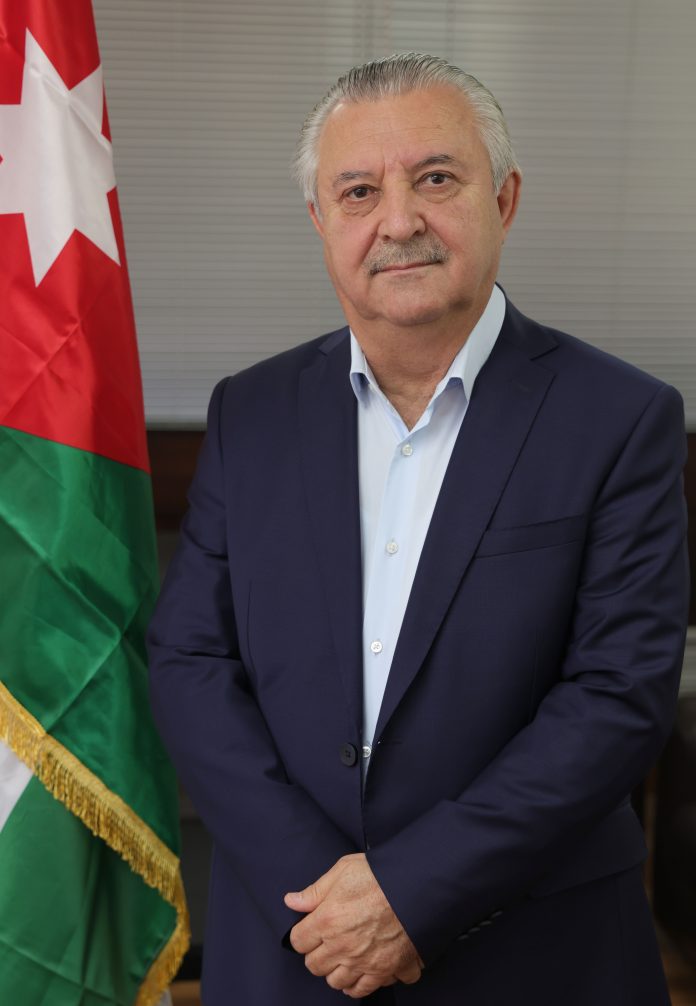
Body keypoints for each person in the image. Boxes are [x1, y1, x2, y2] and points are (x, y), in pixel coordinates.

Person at [147, 53, 689, 1005]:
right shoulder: (251, 412)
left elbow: (616, 696)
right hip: (294, 943)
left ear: (504, 198)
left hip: (534, 954)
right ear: (320, 221)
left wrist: (410, 893)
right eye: (358, 191)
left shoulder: (621, 419)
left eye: (436, 179)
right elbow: (191, 660)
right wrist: (324, 899)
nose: (398, 221)